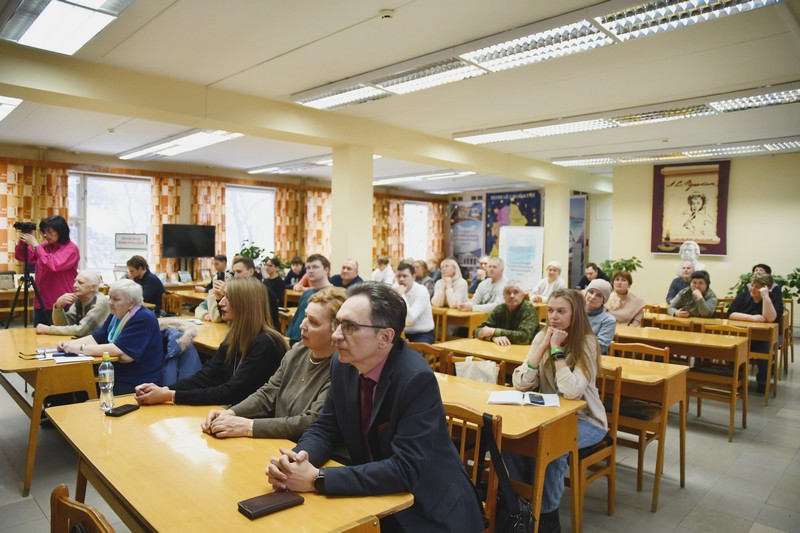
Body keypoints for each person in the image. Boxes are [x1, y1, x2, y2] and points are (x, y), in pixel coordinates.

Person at [266, 282, 483, 532]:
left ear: (386, 337)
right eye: (337, 323)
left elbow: (405, 469)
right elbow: (326, 427)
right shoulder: (342, 364)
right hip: (375, 497)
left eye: (349, 327)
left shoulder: (415, 379)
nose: (336, 335)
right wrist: (296, 462)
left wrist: (317, 479)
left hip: (427, 511)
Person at [510, 288, 607, 532]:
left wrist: (556, 350)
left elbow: (572, 391)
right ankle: (520, 507)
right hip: (549, 416)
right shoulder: (542, 336)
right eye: (550, 310)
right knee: (510, 443)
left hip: (586, 420)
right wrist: (542, 346)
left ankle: (547, 518)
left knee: (552, 450)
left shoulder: (586, 343)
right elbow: (521, 382)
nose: (554, 316)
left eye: (561, 311)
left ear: (576, 315)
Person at [202, 287, 346, 440]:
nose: (302, 325)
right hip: (277, 442)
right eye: (305, 316)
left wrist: (248, 426)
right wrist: (231, 413)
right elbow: (268, 393)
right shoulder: (297, 352)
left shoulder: (342, 368)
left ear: (336, 331)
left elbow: (310, 422)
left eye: (314, 322)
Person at [135, 277, 288, 406]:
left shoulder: (267, 344)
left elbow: (232, 392)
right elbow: (207, 376)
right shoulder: (235, 337)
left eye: (228, 298)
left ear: (245, 304)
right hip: (232, 414)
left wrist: (171, 396)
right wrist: (166, 390)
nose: (221, 303)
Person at [59, 280, 162, 395]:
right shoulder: (116, 315)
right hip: (115, 374)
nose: (110, 303)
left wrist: (80, 348)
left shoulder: (143, 318)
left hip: (137, 381)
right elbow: (96, 338)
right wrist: (67, 344)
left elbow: (121, 352)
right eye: (110, 298)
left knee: (81, 390)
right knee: (71, 385)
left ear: (132, 303)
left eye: (116, 299)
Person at [14, 215, 80, 326]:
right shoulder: (45, 246)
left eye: (49, 232)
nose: (45, 235)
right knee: (38, 337)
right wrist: (23, 241)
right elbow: (22, 256)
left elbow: (52, 265)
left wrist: (35, 244)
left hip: (61, 303)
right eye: (44, 232)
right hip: (41, 301)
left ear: (61, 231)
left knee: (58, 339)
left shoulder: (71, 250)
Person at [729, 272, 783, 394]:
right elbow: (731, 314)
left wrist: (766, 298)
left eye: (758, 287)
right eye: (752, 285)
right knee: (734, 346)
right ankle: (737, 378)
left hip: (770, 337)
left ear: (767, 288)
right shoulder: (743, 296)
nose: (753, 289)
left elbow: (770, 319)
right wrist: (752, 318)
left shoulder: (774, 299)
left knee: (765, 348)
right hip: (746, 335)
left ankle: (763, 381)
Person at [36, 271, 109, 337]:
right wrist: (58, 306)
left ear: (93, 287)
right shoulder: (80, 300)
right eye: (75, 281)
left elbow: (81, 330)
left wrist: (48, 329)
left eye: (80, 283)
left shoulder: (100, 302)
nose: (74, 285)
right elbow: (63, 325)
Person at [286, 254, 333, 345]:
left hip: (314, 342)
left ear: (326, 270)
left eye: (315, 267)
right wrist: (288, 337)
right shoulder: (307, 293)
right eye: (308, 268)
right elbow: (296, 318)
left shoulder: (333, 294)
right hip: (295, 339)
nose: (310, 271)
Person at [473, 280, 538, 345]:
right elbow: (477, 331)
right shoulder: (499, 309)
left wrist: (495, 331)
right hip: (501, 349)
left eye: (516, 292)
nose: (512, 296)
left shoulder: (528, 308)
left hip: (525, 351)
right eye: (508, 292)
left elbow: (524, 337)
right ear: (503, 296)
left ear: (522, 295)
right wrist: (493, 338)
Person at [395, 261, 435, 343]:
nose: (401, 279)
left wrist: (401, 295)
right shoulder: (395, 288)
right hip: (402, 333)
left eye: (405, 276)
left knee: (412, 354)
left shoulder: (422, 291)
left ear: (413, 277)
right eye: (399, 276)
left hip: (422, 334)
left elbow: (409, 319)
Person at [584, 279, 616, 354]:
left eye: (599, 295)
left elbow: (601, 347)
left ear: (603, 301)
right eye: (591, 292)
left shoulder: (608, 320)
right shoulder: (575, 312)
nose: (592, 297)